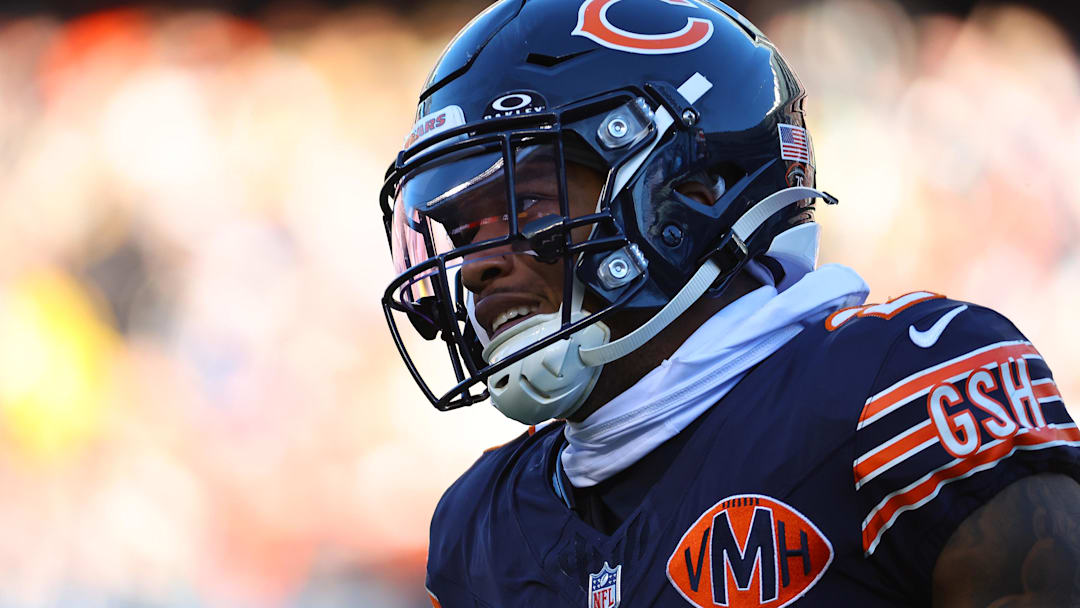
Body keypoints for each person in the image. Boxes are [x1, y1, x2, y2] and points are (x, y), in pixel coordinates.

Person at [377, 0, 1080, 605]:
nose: (477, 265)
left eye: (527, 203)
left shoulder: (892, 391)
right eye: (463, 232)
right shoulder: (479, 527)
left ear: (694, 189)